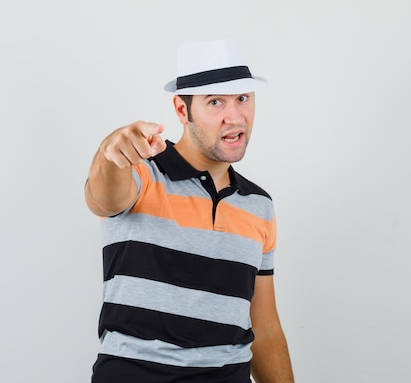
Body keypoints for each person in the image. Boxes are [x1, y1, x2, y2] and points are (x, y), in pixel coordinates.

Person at [84, 39, 294, 383]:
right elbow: (101, 199)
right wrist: (111, 150)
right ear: (182, 110)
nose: (234, 116)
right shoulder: (141, 172)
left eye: (242, 98)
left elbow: (265, 328)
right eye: (215, 102)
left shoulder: (259, 206)